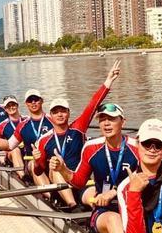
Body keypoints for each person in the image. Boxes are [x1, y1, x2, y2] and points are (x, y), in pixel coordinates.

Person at [50, 102, 139, 233]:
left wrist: (114, 192)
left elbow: (148, 178)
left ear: (123, 122)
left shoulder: (137, 148)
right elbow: (78, 182)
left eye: (111, 119)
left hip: (133, 207)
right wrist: (62, 169)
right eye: (102, 119)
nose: (106, 123)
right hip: (105, 210)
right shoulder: (91, 147)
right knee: (113, 219)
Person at [32, 59, 122, 210]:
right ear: (50, 115)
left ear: (68, 113)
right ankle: (72, 205)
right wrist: (36, 160)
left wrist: (109, 80)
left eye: (63, 111)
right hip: (58, 184)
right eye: (56, 112)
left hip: (81, 180)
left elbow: (92, 105)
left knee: (97, 198)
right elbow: (38, 171)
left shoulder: (78, 128)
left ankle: (99, 210)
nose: (60, 114)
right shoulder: (44, 140)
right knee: (57, 168)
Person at [0, 88, 53, 187]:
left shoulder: (50, 120)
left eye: (13, 105)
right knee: (15, 150)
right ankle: (24, 177)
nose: (11, 107)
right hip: (26, 157)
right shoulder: (5, 125)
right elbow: (3, 144)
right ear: (5, 109)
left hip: (48, 159)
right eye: (8, 106)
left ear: (41, 101)